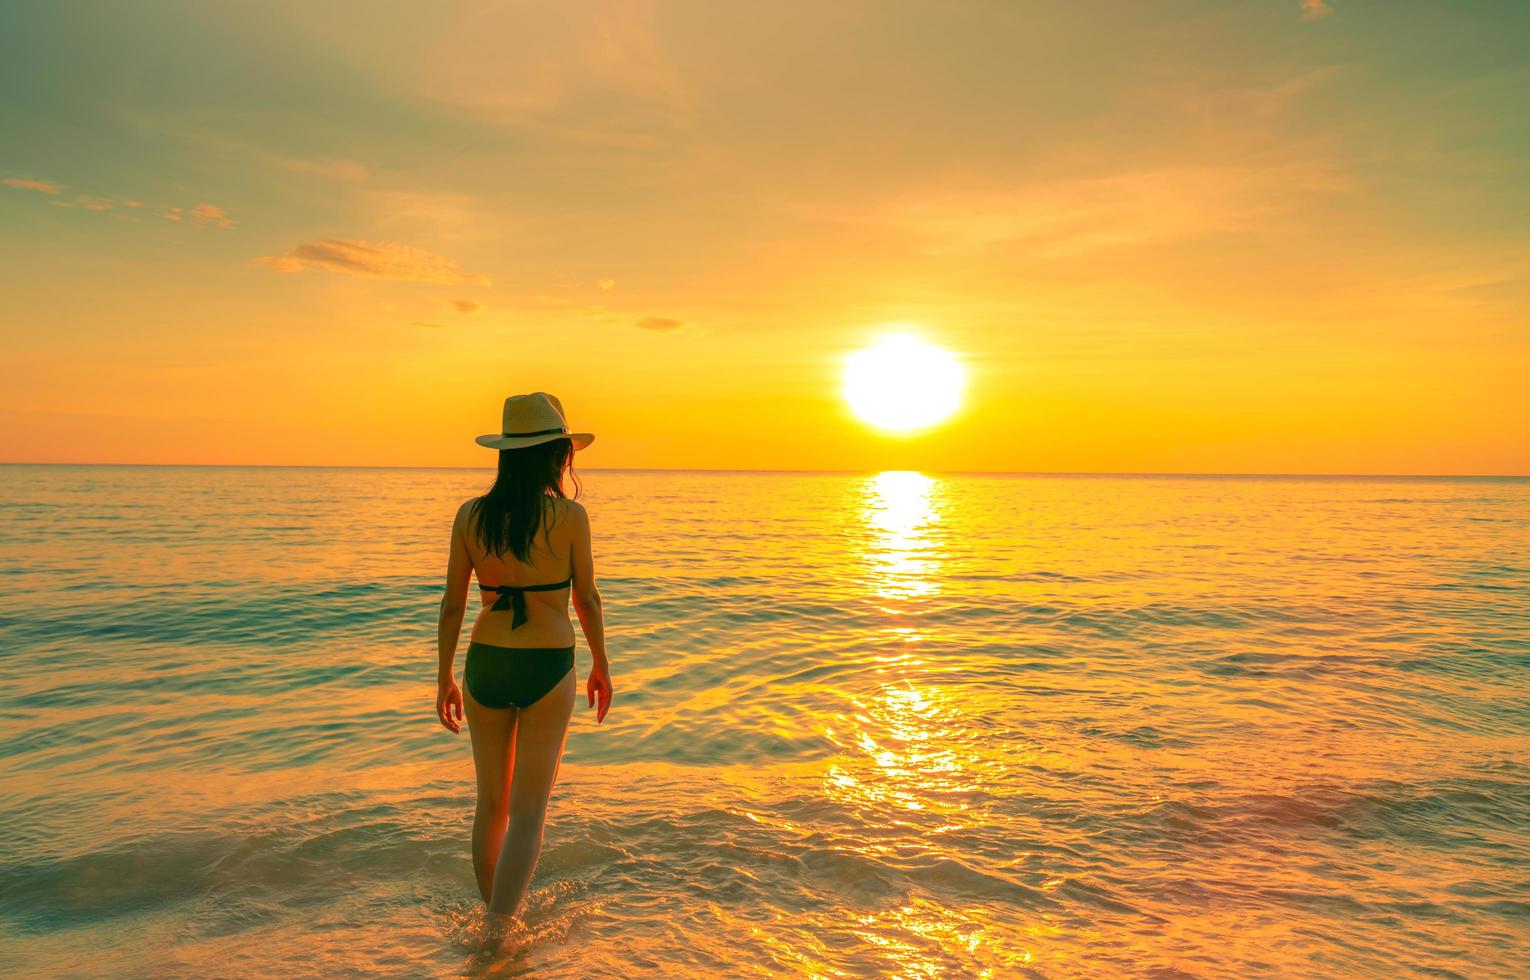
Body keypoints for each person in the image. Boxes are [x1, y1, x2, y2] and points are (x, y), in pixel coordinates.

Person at [434, 391, 613, 946]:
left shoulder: (472, 515)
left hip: (484, 662)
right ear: (557, 456)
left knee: (490, 804)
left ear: (508, 453)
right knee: (529, 811)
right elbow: (587, 597)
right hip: (548, 664)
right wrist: (601, 664)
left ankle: (495, 919)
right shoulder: (570, 517)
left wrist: (444, 677)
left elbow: (452, 603)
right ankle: (497, 932)